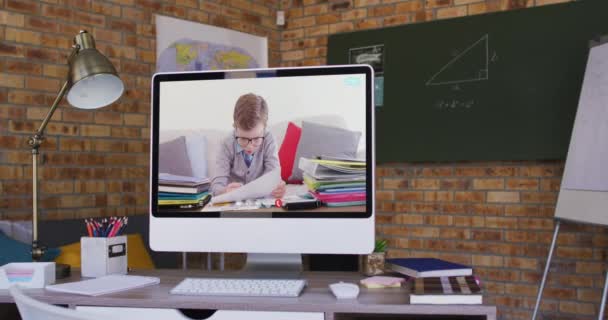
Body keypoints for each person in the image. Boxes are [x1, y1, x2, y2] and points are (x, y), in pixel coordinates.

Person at [210, 93, 286, 198]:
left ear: (264, 127)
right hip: (234, 203)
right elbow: (216, 186)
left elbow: (273, 176)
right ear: (235, 127)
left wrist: (277, 188)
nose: (250, 147)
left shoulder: (268, 139)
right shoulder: (226, 144)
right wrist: (225, 191)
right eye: (243, 139)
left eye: (256, 139)